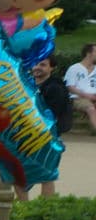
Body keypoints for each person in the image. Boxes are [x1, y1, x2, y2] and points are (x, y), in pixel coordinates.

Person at [28, 55, 69, 198]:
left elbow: (53, 116)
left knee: (46, 174)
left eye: (43, 64)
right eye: (35, 63)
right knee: (17, 173)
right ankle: (21, 207)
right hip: (23, 133)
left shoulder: (56, 88)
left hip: (46, 136)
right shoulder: (26, 84)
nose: (37, 67)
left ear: (52, 68)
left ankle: (46, 207)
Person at [66, 43, 96, 133]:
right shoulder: (74, 68)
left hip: (94, 97)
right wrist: (86, 95)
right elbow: (70, 87)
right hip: (78, 98)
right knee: (90, 109)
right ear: (88, 53)